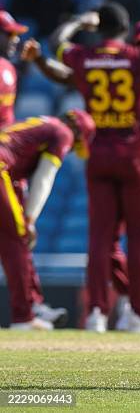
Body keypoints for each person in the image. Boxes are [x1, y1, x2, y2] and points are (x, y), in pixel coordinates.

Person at [21, 14, 140, 333]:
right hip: (136, 157)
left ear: (100, 30)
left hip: (98, 153)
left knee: (100, 238)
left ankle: (97, 312)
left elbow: (58, 51)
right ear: (126, 33)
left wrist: (77, 23)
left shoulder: (88, 58)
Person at [0, 109, 95, 330]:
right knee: (18, 237)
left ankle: (33, 304)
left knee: (14, 240)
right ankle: (24, 315)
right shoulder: (63, 132)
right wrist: (30, 218)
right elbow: (46, 175)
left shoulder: (39, 124)